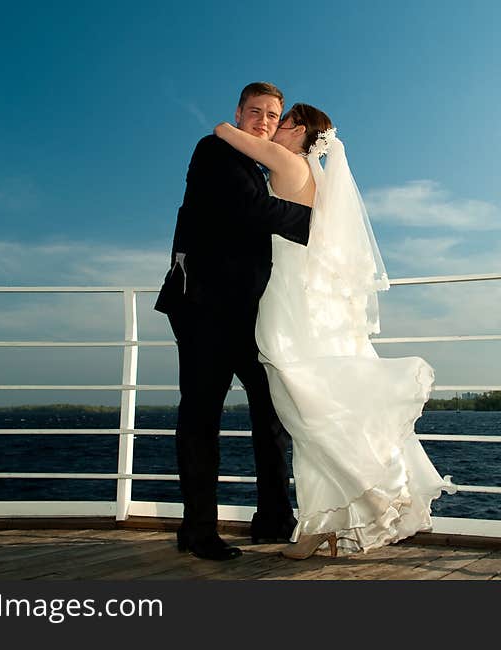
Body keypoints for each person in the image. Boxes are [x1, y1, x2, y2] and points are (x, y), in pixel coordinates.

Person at [214, 103, 455, 559]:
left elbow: (228, 134)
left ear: (298, 130)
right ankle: (323, 523)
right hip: (312, 301)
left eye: (279, 121)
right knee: (313, 413)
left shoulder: (286, 161)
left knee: (306, 413)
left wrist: (231, 123)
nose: (271, 127)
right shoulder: (316, 173)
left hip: (291, 302)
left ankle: (347, 506)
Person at [154, 83, 313, 561]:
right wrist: (317, 221)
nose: (263, 121)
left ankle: (273, 517)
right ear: (239, 113)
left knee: (272, 411)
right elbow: (248, 210)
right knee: (202, 418)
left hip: (246, 312)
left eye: (272, 114)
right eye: (256, 112)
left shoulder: (256, 163)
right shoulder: (215, 151)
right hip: (204, 306)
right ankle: (198, 530)